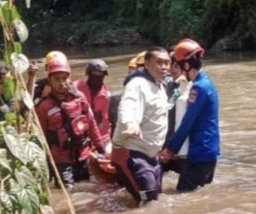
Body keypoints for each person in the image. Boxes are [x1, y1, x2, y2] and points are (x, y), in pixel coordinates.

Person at [35, 57, 108, 188]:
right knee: (67, 191)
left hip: (83, 155)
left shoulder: (79, 98)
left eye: (64, 78)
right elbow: (41, 136)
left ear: (69, 78)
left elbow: (91, 124)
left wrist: (100, 148)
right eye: (57, 79)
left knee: (88, 188)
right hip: (61, 159)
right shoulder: (44, 106)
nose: (61, 83)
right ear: (50, 81)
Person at [111, 47, 171, 204]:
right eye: (158, 62)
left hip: (151, 153)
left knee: (155, 197)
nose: (164, 67)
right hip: (132, 151)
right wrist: (130, 122)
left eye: (167, 63)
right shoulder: (137, 84)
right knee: (148, 200)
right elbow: (128, 105)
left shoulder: (159, 85)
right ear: (147, 64)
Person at [160, 39, 220, 192]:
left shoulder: (198, 88)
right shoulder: (207, 83)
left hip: (200, 152)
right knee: (198, 195)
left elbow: (188, 122)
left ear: (186, 66)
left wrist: (170, 149)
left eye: (178, 66)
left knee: (182, 195)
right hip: (209, 150)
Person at [163, 52, 192, 173]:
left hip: (178, 131)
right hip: (168, 129)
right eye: (171, 65)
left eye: (176, 66)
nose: (173, 69)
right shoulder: (168, 84)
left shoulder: (184, 85)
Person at [74, 59, 112, 144]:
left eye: (100, 74)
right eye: (94, 73)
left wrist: (95, 139)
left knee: (108, 152)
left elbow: (106, 122)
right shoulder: (77, 87)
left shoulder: (106, 96)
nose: (97, 76)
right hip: (79, 129)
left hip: (101, 135)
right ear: (88, 73)